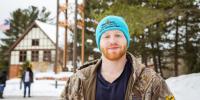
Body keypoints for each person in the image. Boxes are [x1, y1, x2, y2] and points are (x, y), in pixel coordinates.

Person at [61, 15, 173, 100]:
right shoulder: (77, 82)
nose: (113, 41)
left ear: (127, 40)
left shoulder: (152, 82)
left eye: (118, 35)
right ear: (99, 43)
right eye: (106, 36)